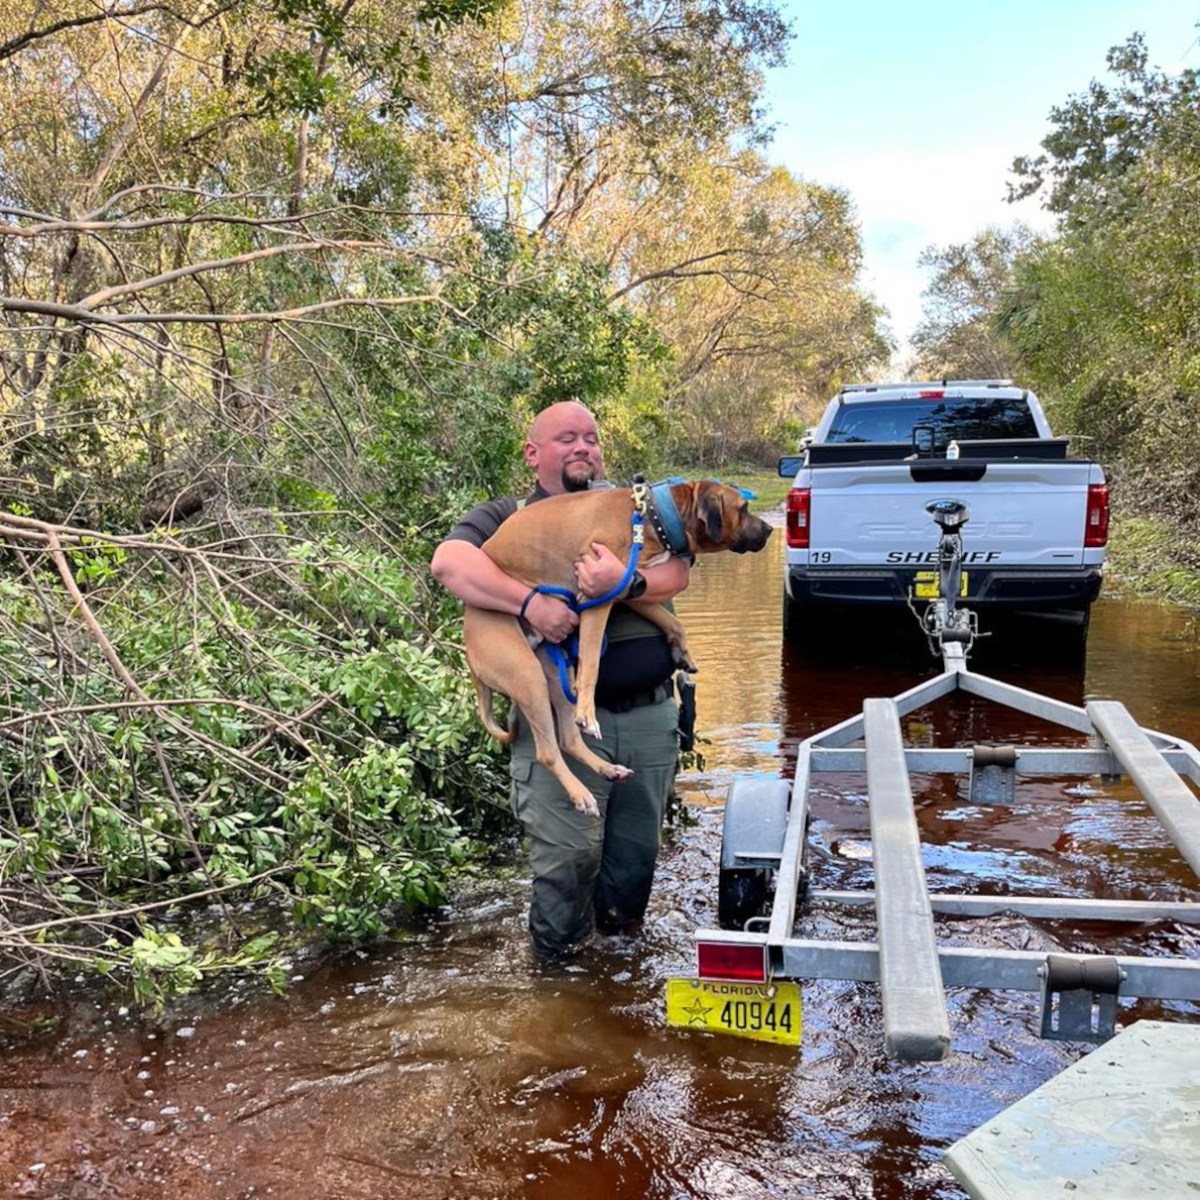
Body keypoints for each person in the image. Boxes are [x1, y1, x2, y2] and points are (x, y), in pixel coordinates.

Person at [430, 401, 691, 961]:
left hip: (648, 719)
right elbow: (450, 564)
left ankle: (617, 1000)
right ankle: (558, 999)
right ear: (533, 454)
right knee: (566, 871)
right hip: (556, 717)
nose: (583, 448)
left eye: (592, 438)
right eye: (566, 438)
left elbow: (679, 572)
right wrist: (531, 605)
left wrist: (622, 581)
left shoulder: (629, 507)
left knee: (633, 873)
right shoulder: (507, 514)